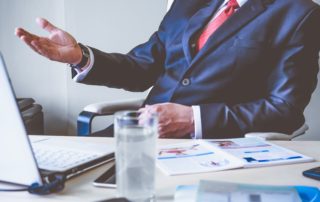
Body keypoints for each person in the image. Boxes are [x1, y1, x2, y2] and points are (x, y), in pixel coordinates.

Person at [15, 0, 320, 139]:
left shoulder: (299, 14)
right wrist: (80, 56)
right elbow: (141, 68)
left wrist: (193, 120)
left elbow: (285, 108)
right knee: (56, 175)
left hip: (215, 144)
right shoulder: (187, 3)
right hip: (139, 133)